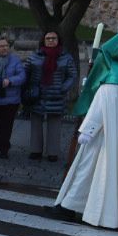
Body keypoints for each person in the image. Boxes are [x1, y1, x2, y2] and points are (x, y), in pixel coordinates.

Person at [51, 5, 118, 236]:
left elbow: (101, 107)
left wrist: (87, 130)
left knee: (86, 169)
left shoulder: (111, 80)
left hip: (100, 136)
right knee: (99, 172)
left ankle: (71, 207)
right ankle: (87, 208)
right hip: (114, 137)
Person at [25, 30, 78, 162]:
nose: (50, 40)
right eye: (48, 38)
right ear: (43, 40)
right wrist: (29, 90)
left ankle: (52, 152)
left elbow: (72, 75)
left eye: (53, 38)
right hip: (38, 95)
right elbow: (26, 73)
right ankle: (35, 150)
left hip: (57, 95)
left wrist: (63, 88)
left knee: (55, 124)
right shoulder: (34, 56)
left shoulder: (66, 57)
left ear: (58, 40)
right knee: (36, 123)